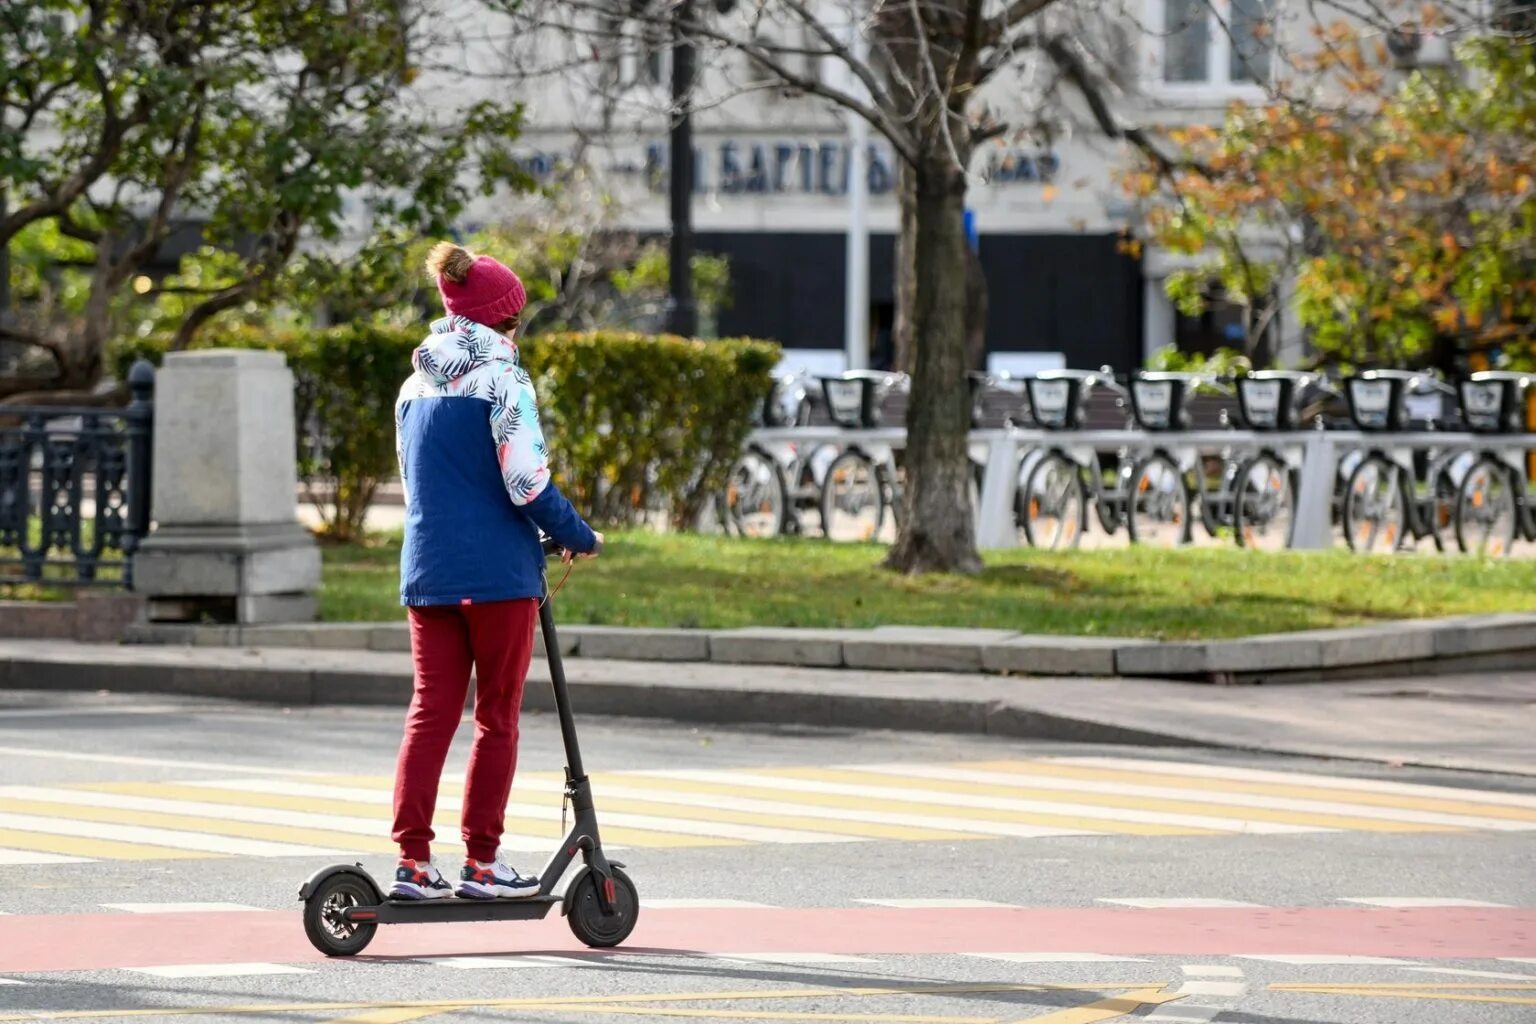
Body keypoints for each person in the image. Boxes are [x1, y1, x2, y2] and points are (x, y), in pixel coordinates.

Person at [389, 241, 603, 900]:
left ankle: (413, 864)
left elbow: (412, 482)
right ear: (505, 319)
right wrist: (578, 534)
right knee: (496, 718)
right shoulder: (505, 379)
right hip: (499, 578)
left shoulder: (413, 384)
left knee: (430, 714)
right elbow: (526, 482)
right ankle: (482, 863)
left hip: (428, 570)